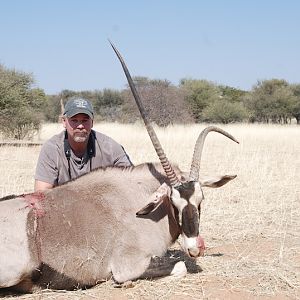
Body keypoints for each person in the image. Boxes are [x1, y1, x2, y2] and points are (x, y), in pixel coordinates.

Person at [34, 97, 132, 191]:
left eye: (85, 120)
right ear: (64, 122)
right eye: (74, 120)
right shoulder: (51, 149)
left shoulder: (110, 147)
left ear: (92, 122)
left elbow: (133, 183)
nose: (80, 126)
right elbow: (41, 193)